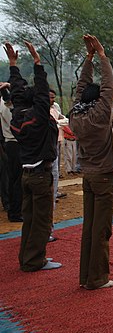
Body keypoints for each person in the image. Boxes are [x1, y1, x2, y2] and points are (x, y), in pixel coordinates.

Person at [5, 41, 61, 271]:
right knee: (40, 220)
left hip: (26, 173)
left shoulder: (18, 114)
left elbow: (17, 92)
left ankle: (25, 257)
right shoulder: (38, 117)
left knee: (29, 220)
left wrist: (14, 66)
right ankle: (34, 260)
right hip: (39, 175)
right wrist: (37, 64)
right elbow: (38, 90)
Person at [69, 35, 113, 289]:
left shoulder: (75, 115)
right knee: (101, 230)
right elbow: (108, 87)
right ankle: (97, 278)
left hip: (88, 175)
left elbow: (81, 88)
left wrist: (89, 59)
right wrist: (101, 55)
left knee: (89, 227)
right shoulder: (100, 116)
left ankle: (85, 276)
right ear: (98, 99)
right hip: (103, 176)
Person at [0, 88, 22, 222]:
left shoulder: (6, 105)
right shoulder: (8, 107)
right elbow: (15, 125)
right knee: (16, 180)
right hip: (14, 143)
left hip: (11, 143)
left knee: (13, 179)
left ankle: (14, 209)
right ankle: (15, 211)